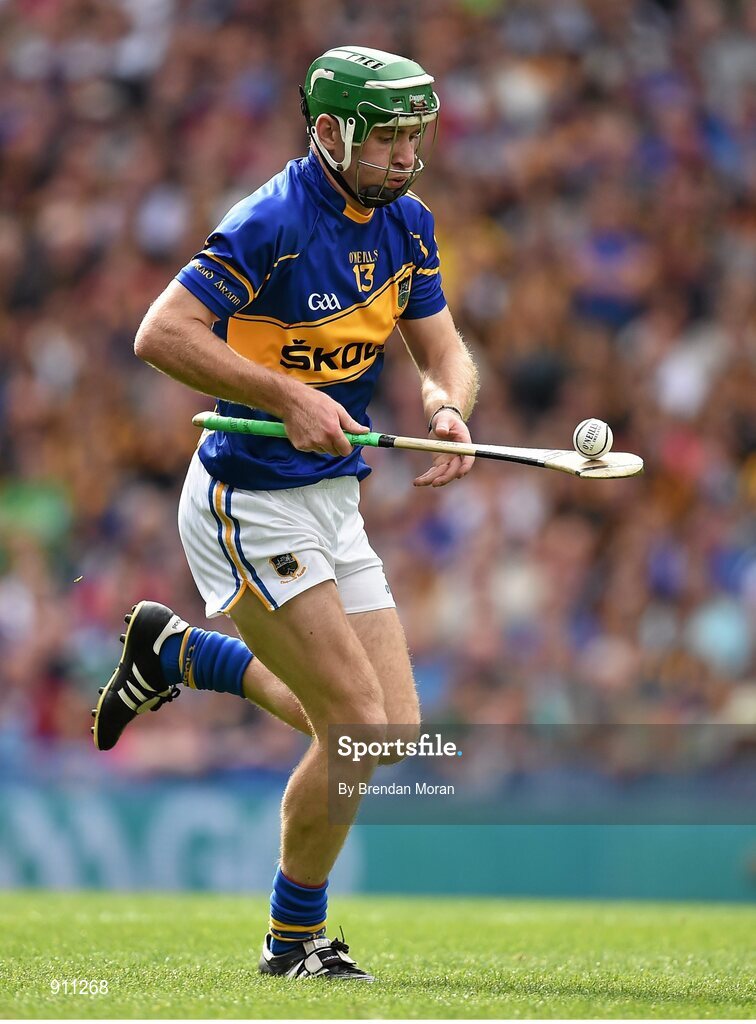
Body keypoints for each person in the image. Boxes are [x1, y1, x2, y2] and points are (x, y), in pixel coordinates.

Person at [91, 44, 478, 981]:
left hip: (334, 498)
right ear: (330, 132)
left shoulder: (409, 223)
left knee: (386, 733)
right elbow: (159, 332)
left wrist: (447, 405)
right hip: (249, 501)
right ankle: (293, 942)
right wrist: (285, 396)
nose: (405, 156)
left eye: (414, 137)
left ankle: (181, 655)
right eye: (386, 138)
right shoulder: (271, 221)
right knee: (352, 724)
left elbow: (443, 350)